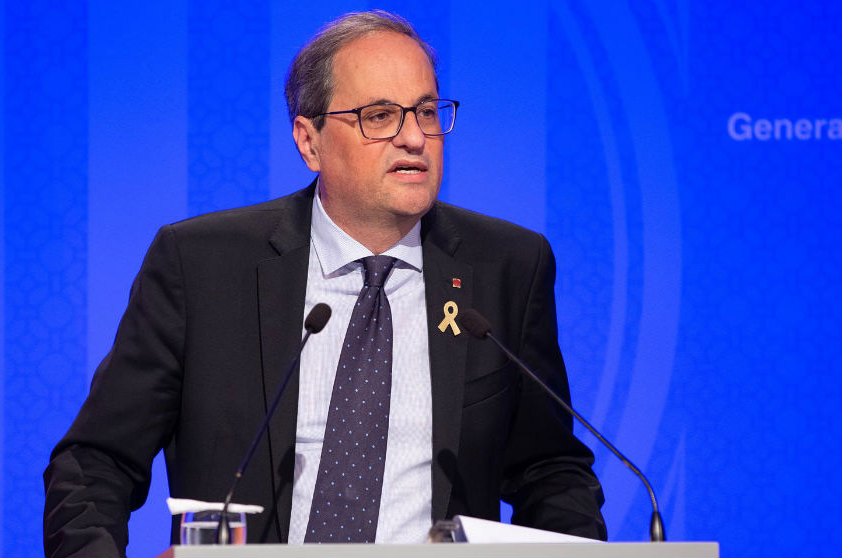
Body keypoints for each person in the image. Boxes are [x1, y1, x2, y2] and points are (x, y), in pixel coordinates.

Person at [43, 10, 606, 557]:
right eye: (380, 115)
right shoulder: (201, 265)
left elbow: (550, 471)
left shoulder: (506, 265)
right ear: (308, 141)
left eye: (428, 112)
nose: (414, 137)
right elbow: (93, 464)